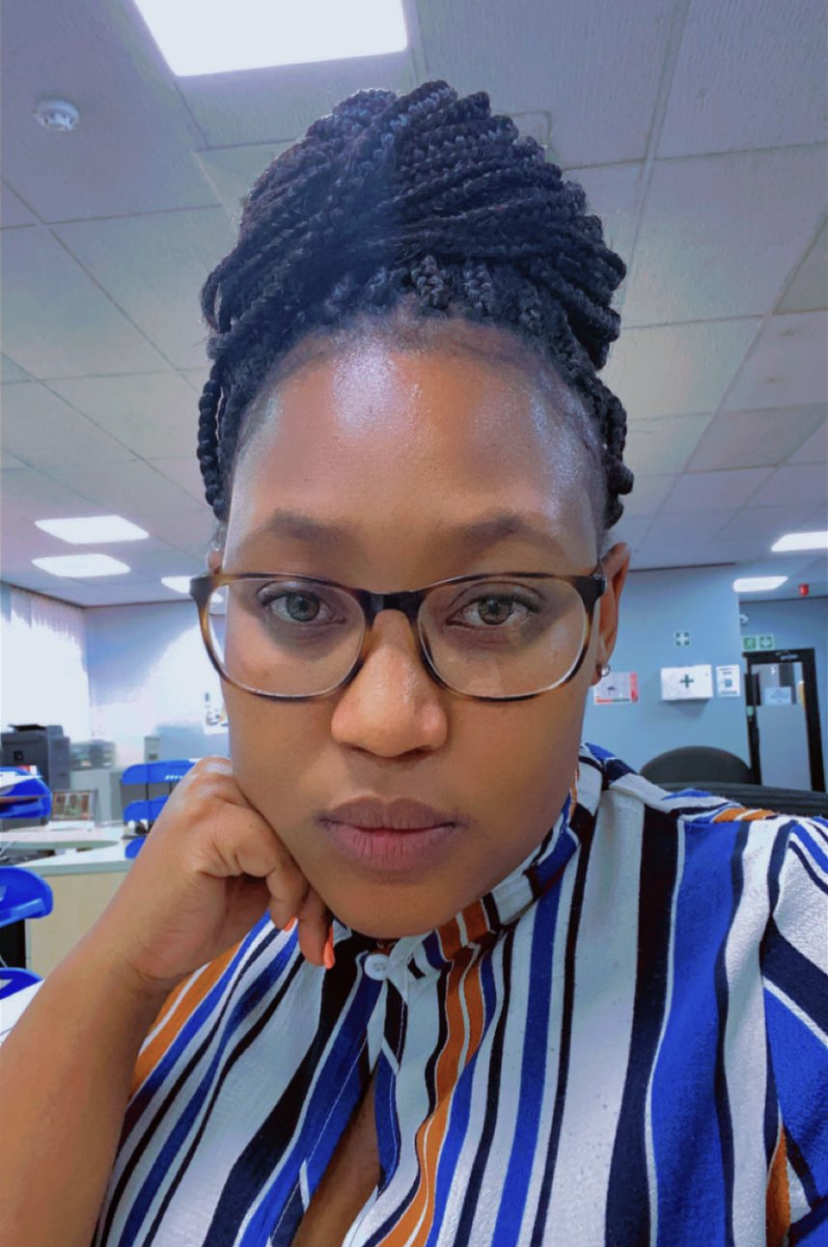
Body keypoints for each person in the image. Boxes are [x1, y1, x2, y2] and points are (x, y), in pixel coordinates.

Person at [1, 81, 825, 1247]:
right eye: (297, 602)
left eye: (494, 603)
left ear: (601, 618)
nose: (387, 719)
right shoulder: (179, 955)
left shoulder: (784, 948)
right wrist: (113, 973)